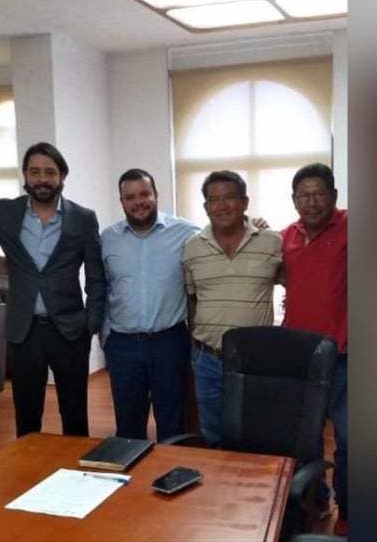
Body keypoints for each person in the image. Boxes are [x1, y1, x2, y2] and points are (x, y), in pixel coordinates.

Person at [0, 142, 105, 437]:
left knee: (75, 414)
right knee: (27, 416)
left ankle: (75, 467)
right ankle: (31, 465)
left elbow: (96, 276)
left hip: (69, 330)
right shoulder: (6, 213)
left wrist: (91, 323)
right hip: (24, 331)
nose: (42, 179)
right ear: (25, 175)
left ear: (62, 176)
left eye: (50, 172)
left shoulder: (83, 218)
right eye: (35, 171)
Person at [182, 170, 282, 447]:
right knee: (212, 432)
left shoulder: (272, 242)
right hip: (207, 358)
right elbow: (192, 298)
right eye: (214, 200)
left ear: (245, 202)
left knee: (256, 431)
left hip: (255, 359)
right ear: (206, 207)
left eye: (230, 198)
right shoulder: (192, 248)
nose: (222, 206)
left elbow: (296, 284)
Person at [100, 169, 198, 441]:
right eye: (130, 197)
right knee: (128, 428)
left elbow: (221, 234)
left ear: (156, 195)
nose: (138, 202)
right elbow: (102, 285)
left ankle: (170, 469)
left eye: (144, 194)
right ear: (122, 202)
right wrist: (104, 331)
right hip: (123, 346)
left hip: (169, 343)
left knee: (172, 424)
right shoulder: (108, 238)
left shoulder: (186, 232)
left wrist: (252, 223)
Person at [280, 163, 348, 536]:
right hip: (300, 359)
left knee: (350, 439)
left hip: (344, 356)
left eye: (319, 193)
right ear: (294, 200)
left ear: (333, 196)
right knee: (305, 439)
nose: (311, 201)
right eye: (303, 195)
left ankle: (349, 508)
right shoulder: (284, 237)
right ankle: (315, 501)